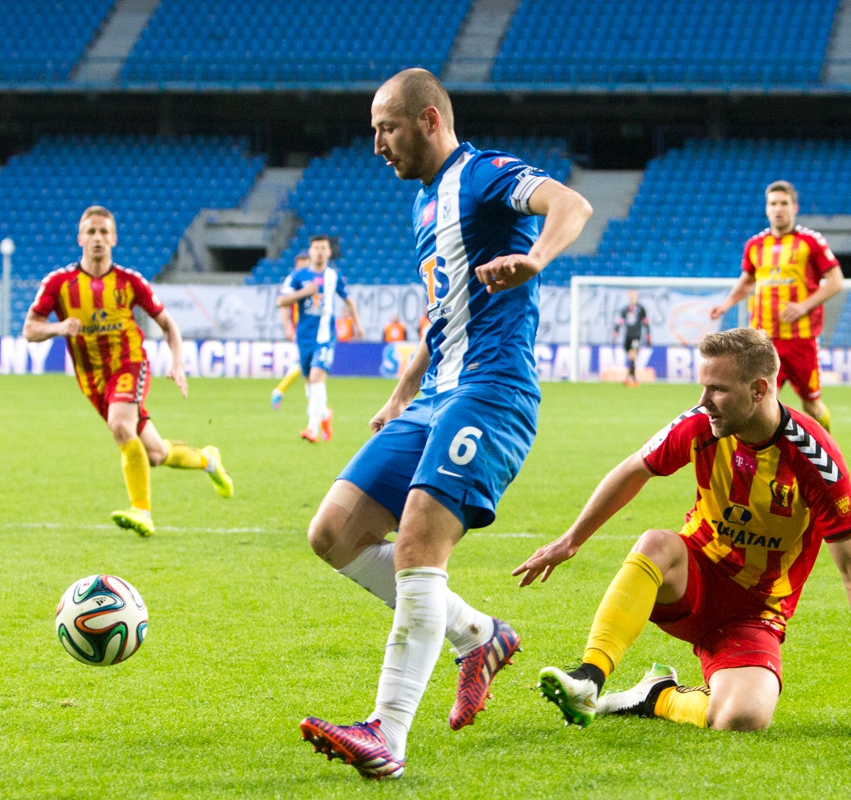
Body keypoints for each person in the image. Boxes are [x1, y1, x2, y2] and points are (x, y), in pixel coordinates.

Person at [299, 68, 593, 780]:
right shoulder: (425, 204)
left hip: (491, 392)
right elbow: (443, 313)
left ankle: (386, 735)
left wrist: (535, 257)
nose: (377, 145)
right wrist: (402, 392)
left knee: (417, 546)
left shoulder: (485, 175)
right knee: (332, 534)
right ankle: (478, 636)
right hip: (435, 396)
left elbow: (571, 203)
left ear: (430, 119)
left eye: (387, 128)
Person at [515, 327, 851, 735]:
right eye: (703, 387)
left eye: (717, 389)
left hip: (757, 610)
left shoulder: (815, 460)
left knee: (743, 719)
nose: (704, 401)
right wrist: (571, 539)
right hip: (695, 577)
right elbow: (635, 469)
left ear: (758, 390)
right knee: (657, 544)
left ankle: (657, 696)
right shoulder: (702, 424)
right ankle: (588, 678)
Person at [23, 206, 233, 537]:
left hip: (129, 363)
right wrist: (60, 327)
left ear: (114, 239)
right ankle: (208, 460)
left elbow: (167, 324)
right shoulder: (59, 283)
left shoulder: (129, 281)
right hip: (92, 380)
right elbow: (30, 330)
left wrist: (177, 361)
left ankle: (142, 511)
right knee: (155, 453)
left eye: (104, 232)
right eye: (91, 232)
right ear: (80, 238)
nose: (97, 238)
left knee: (120, 425)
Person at [709, 181, 843, 431]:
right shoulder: (755, 245)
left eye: (784, 203)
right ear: (767, 209)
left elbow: (836, 282)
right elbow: (747, 280)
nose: (778, 209)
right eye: (773, 204)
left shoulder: (810, 242)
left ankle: (827, 448)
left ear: (794, 208)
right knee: (756, 403)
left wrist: (803, 307)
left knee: (811, 405)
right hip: (763, 341)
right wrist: (726, 304)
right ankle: (764, 460)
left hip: (801, 340)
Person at [275, 235, 364, 443]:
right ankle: (324, 414)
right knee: (309, 384)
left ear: (329, 252)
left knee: (316, 377)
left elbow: (348, 299)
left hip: (325, 336)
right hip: (304, 337)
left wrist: (357, 324)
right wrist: (303, 293)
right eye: (316, 248)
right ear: (310, 251)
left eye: (324, 248)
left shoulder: (333, 276)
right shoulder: (298, 276)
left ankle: (312, 428)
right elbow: (281, 301)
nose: (320, 251)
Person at [270, 252, 309, 411]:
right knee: (305, 366)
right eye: (300, 264)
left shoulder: (311, 281)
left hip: (311, 330)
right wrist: (287, 327)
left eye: (305, 264)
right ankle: (279, 390)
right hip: (300, 330)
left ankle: (311, 404)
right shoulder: (293, 283)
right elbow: (283, 305)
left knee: (308, 368)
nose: (303, 268)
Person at [612, 289, 651, 387]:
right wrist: (616, 332)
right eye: (631, 295)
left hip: (636, 336)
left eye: (634, 295)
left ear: (636, 296)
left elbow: (646, 323)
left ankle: (632, 378)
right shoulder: (625, 309)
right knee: (630, 357)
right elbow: (620, 322)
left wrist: (648, 336)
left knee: (632, 356)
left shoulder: (641, 309)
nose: (632, 297)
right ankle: (630, 377)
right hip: (627, 336)